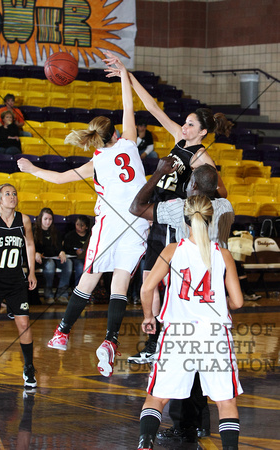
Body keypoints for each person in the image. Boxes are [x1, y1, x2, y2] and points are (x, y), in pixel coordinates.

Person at [17, 51, 149, 377]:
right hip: (139, 225)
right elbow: (129, 107)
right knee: (120, 285)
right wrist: (124, 75)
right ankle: (111, 340)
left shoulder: (95, 163)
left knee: (88, 279)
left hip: (110, 224)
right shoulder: (130, 143)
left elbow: (59, 178)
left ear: (95, 141)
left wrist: (32, 168)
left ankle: (62, 332)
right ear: (116, 134)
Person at [105, 54, 232, 363]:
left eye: (190, 124)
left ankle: (165, 341)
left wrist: (199, 198)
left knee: (161, 279)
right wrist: (126, 74)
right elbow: (151, 107)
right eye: (185, 123)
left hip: (174, 216)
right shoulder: (178, 138)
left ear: (201, 132)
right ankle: (154, 341)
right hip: (157, 210)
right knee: (150, 277)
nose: (184, 126)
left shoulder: (202, 158)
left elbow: (221, 191)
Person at [129, 160, 234, 441]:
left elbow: (136, 208)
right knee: (218, 392)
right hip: (213, 301)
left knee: (165, 390)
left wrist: (160, 173)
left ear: (194, 187)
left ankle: (177, 428)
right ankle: (199, 425)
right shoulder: (226, 207)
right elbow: (219, 190)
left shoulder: (178, 211)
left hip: (182, 311)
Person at [0, 183, 37, 391]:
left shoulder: (24, 220)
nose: (12, 197)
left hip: (15, 281)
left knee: (24, 324)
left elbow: (30, 244)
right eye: (7, 194)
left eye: (14, 193)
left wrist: (30, 271)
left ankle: (29, 368)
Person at [33, 208, 73, 305]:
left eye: (50, 219)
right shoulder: (34, 231)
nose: (48, 222)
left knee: (68, 263)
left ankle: (62, 294)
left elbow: (58, 247)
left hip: (53, 258)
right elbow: (31, 246)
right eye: (45, 219)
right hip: (40, 260)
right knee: (50, 265)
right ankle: (48, 294)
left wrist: (61, 252)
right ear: (40, 219)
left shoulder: (55, 232)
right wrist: (35, 253)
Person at [63, 215, 91, 285]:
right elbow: (66, 249)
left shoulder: (90, 236)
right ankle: (78, 288)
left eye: (82, 225)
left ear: (86, 227)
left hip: (88, 258)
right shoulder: (70, 236)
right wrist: (75, 252)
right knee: (80, 266)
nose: (79, 227)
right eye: (77, 224)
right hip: (74, 258)